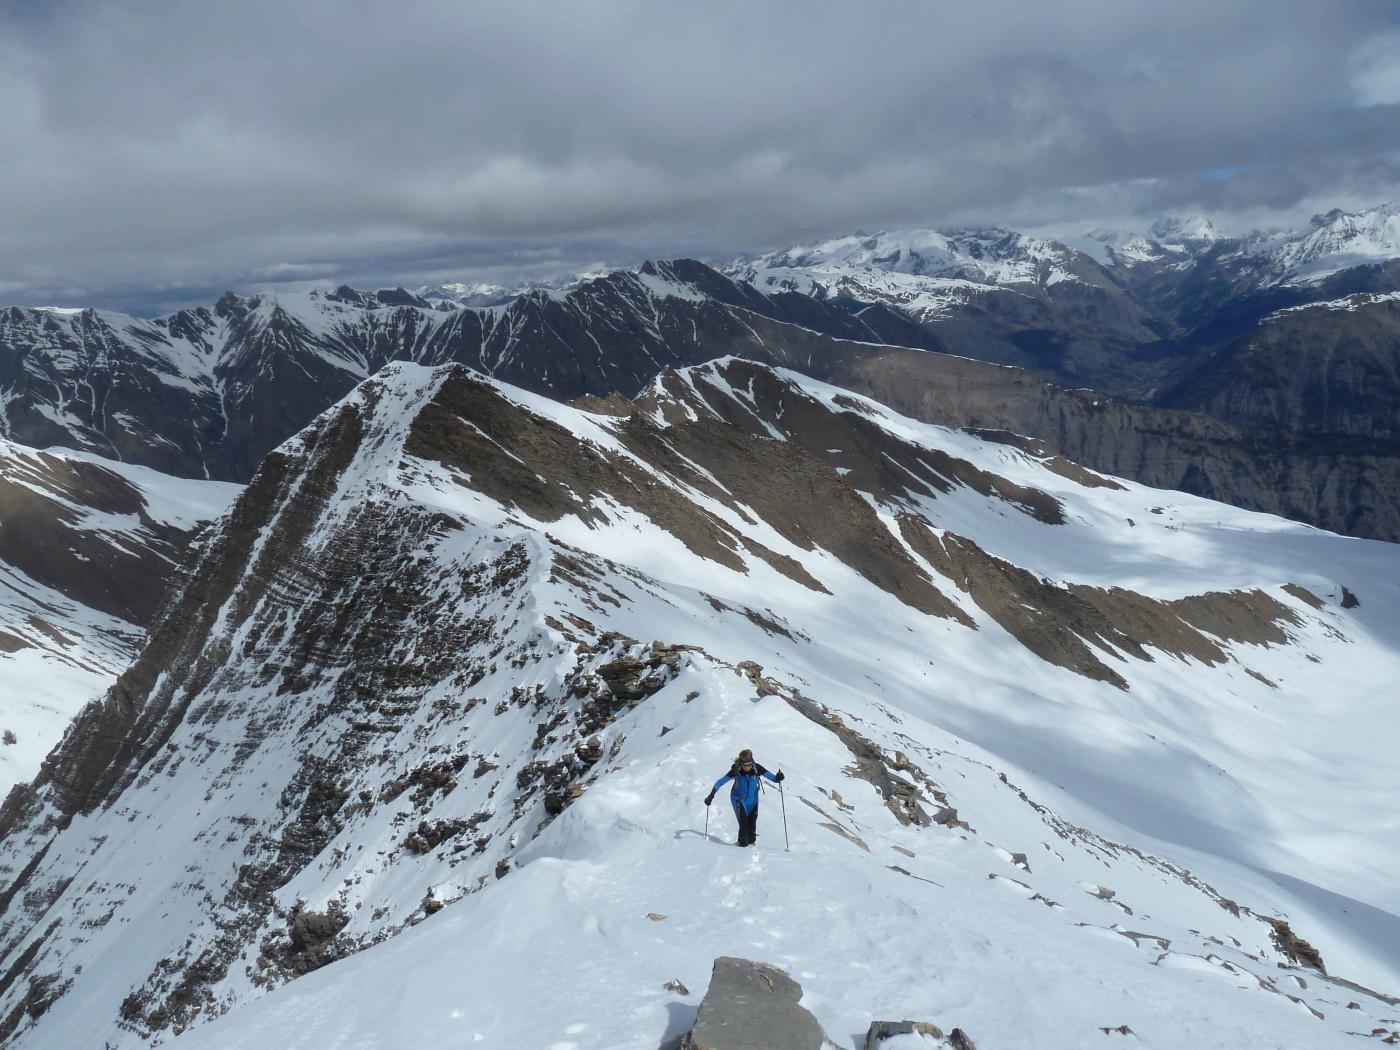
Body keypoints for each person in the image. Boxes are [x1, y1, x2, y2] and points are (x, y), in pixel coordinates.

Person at [704, 748, 785, 847]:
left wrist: (779, 777)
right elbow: (720, 782)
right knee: (743, 825)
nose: (747, 767)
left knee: (752, 824)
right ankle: (741, 847)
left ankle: (751, 845)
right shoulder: (735, 770)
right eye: (745, 765)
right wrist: (710, 796)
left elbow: (775, 779)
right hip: (738, 799)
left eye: (749, 765)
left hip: (753, 800)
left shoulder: (757, 768)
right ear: (741, 763)